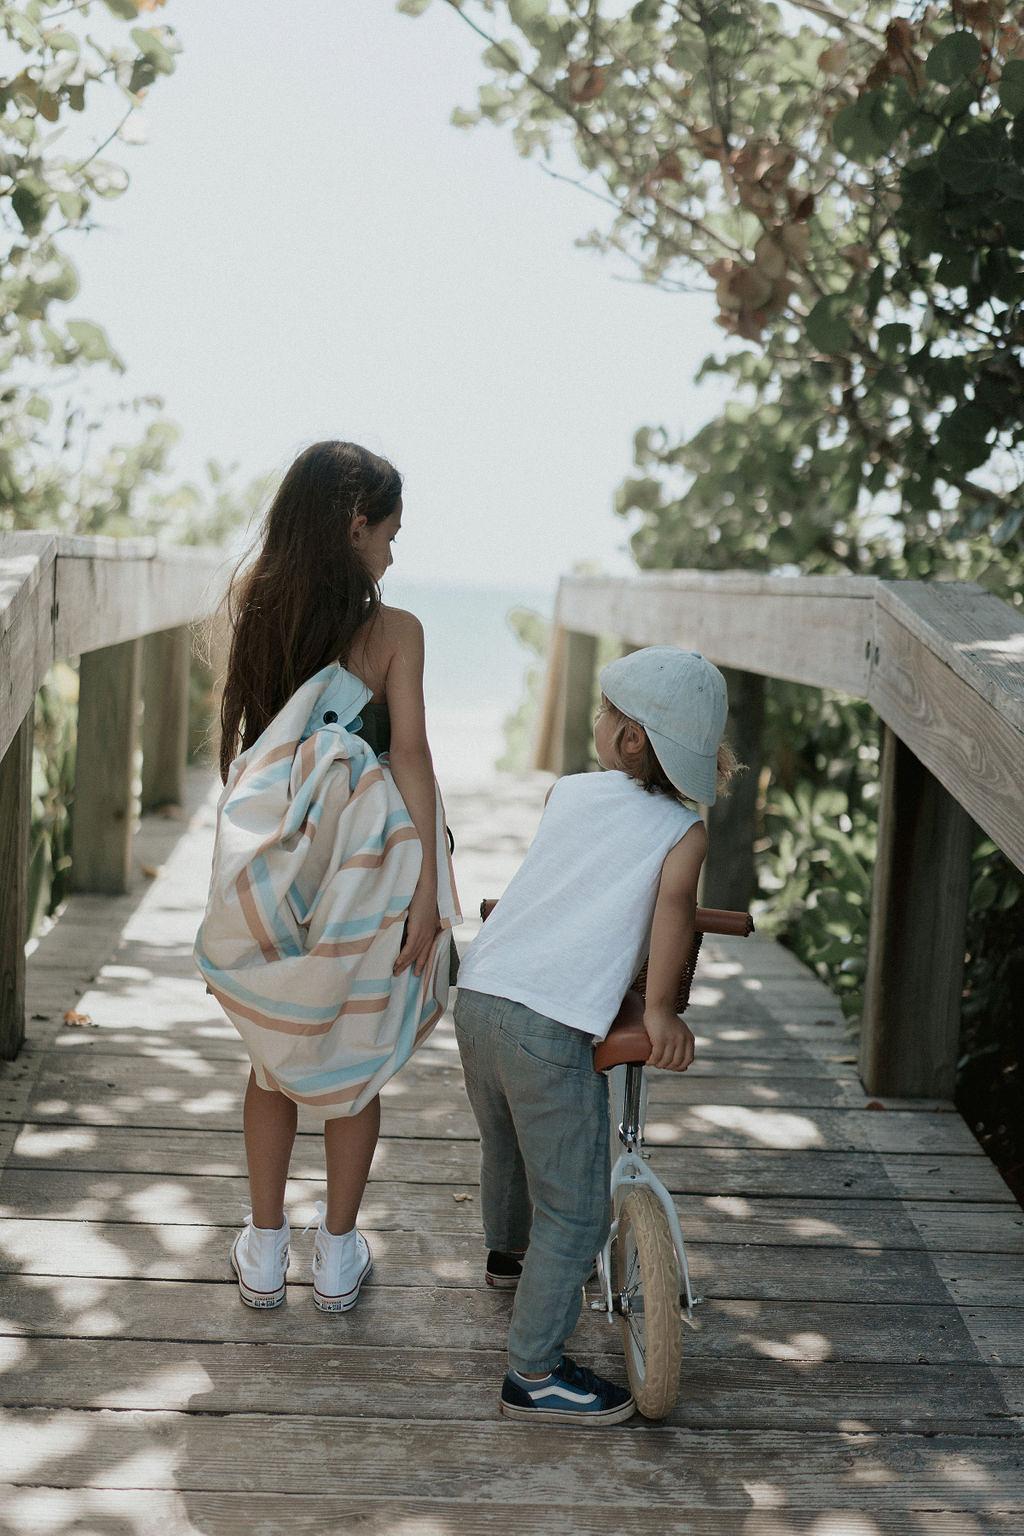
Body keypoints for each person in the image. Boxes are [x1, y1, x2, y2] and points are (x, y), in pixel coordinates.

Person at [196, 441, 459, 1314]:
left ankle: (265, 1250)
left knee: (274, 1063)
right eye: (389, 531)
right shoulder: (397, 633)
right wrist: (432, 894)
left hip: (277, 864)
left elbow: (252, 757)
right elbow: (412, 758)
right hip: (368, 874)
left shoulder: (257, 607)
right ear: (356, 526)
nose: (393, 550)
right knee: (358, 1058)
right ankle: (338, 1255)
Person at [453, 646, 737, 1425]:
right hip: (548, 1025)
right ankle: (535, 1371)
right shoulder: (685, 832)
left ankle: (509, 1258)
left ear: (631, 740)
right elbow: (672, 910)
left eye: (607, 710)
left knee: (504, 1141)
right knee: (577, 1212)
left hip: (478, 996)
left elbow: (566, 878)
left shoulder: (568, 793)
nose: (597, 719)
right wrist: (659, 1014)